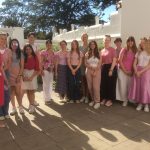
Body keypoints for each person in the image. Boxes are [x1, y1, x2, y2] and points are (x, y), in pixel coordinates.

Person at [128, 38, 150, 112]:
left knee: (145, 88)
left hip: (146, 71)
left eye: (143, 43)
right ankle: (140, 103)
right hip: (137, 70)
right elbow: (134, 63)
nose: (142, 44)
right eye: (141, 43)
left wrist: (141, 72)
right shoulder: (138, 52)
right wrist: (136, 71)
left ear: (147, 43)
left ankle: (146, 104)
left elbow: (149, 65)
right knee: (138, 87)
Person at [116, 36, 137, 106]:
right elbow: (120, 60)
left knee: (130, 86)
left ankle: (130, 99)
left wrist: (132, 71)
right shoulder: (124, 49)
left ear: (134, 42)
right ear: (127, 42)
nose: (130, 42)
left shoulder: (136, 50)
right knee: (123, 86)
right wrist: (125, 71)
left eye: (132, 41)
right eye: (129, 41)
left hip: (131, 72)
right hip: (122, 71)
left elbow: (136, 62)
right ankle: (124, 100)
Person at [23, 32, 40, 106]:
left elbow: (38, 59)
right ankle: (30, 103)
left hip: (33, 71)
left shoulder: (36, 46)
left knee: (32, 90)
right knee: (27, 89)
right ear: (28, 38)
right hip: (25, 72)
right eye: (30, 37)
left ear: (34, 38)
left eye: (33, 37)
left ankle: (32, 102)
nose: (31, 38)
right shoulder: (25, 46)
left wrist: (39, 70)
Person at [100, 35, 117, 107]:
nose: (106, 41)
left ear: (110, 41)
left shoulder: (112, 49)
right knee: (104, 84)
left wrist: (111, 70)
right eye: (105, 40)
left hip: (111, 67)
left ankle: (110, 100)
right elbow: (101, 61)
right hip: (104, 67)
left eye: (107, 40)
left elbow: (114, 60)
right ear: (103, 41)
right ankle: (104, 98)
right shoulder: (102, 50)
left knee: (111, 84)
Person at [9, 39, 24, 115]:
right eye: (12, 43)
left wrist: (19, 75)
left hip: (17, 75)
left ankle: (20, 107)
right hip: (9, 76)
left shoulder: (20, 53)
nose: (14, 45)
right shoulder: (8, 52)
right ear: (10, 44)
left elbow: (22, 66)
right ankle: (13, 108)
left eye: (16, 43)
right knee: (11, 93)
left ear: (17, 44)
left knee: (18, 92)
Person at [85, 41, 102, 109]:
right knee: (90, 87)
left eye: (93, 44)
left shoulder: (99, 53)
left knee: (96, 87)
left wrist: (95, 71)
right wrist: (91, 68)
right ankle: (93, 100)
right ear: (89, 45)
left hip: (97, 71)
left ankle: (97, 102)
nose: (92, 45)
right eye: (91, 44)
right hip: (88, 71)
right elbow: (85, 63)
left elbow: (100, 63)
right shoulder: (87, 53)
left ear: (95, 45)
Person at [0, 32, 11, 126]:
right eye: (1, 38)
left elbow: (9, 63)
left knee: (7, 94)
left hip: (6, 73)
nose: (3, 40)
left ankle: (6, 111)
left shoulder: (8, 50)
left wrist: (3, 69)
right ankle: (0, 114)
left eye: (5, 39)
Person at [40, 40, 55, 105]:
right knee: (46, 85)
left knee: (50, 83)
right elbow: (41, 62)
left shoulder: (53, 52)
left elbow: (53, 61)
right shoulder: (43, 52)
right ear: (46, 45)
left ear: (51, 45)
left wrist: (53, 67)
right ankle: (46, 99)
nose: (49, 45)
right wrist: (41, 70)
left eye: (50, 44)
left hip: (51, 70)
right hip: (45, 69)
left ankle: (49, 97)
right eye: (47, 44)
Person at [79, 33, 89, 103]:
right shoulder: (79, 47)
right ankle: (84, 96)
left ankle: (87, 97)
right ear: (81, 38)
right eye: (83, 37)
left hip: (89, 67)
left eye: (85, 37)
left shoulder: (90, 46)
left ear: (87, 38)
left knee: (88, 82)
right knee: (83, 82)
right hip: (81, 66)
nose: (84, 38)